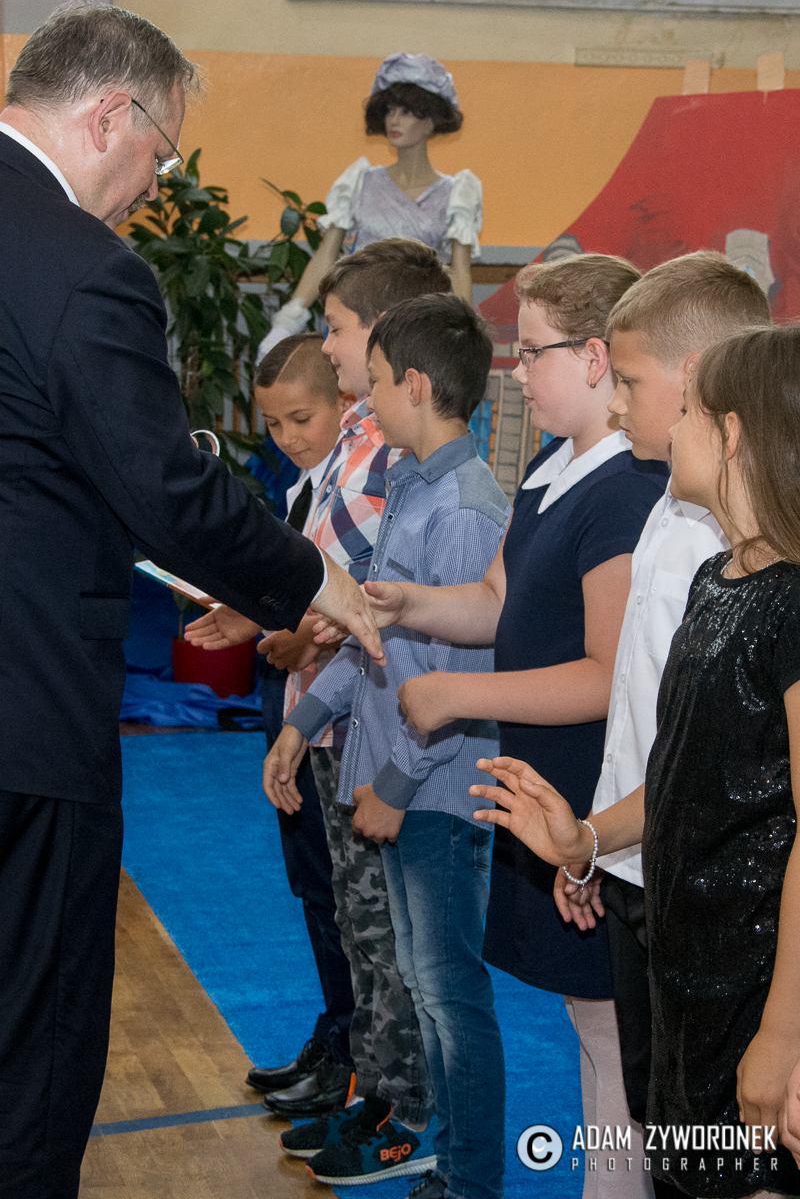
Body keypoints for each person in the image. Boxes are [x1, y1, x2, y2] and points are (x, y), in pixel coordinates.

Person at [0, 7, 382, 1198]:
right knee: (31, 1047)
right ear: (109, 114)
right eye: (160, 157)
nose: (152, 190)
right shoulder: (79, 265)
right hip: (26, 715)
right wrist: (313, 577)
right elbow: (165, 486)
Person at [332, 255, 670, 1197]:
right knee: (590, 1028)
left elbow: (605, 674)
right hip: (545, 792)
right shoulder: (553, 469)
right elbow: (493, 601)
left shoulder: (624, 491)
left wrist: (460, 697)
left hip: (595, 797)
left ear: (596, 359)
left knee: (614, 1038)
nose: (517, 373)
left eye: (535, 351)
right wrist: (407, 604)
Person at [471, 324, 800, 1199]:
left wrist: (783, 1032)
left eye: (688, 411)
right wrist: (582, 837)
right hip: (687, 973)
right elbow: (684, 776)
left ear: (733, 435)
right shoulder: (718, 581)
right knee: (676, 1169)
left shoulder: (794, 606)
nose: (655, 423)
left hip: (756, 977)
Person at [186, 239, 451, 1129]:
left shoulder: (390, 457)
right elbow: (324, 575)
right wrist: (268, 620)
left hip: (366, 726)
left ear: (381, 334)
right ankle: (354, 1061)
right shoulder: (350, 452)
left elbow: (369, 593)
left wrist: (296, 628)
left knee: (382, 931)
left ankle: (387, 1093)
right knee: (341, 909)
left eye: (336, 328)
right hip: (324, 712)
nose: (327, 344)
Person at [267, 294, 511, 1196]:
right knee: (413, 975)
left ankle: (470, 1175)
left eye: (370, 386)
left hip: (437, 795)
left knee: (449, 993)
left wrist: (396, 785)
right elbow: (373, 633)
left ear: (414, 385)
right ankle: (435, 1146)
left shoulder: (467, 510)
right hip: (395, 779)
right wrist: (302, 722)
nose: (361, 403)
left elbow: (453, 679)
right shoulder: (409, 484)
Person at [550, 252, 770, 1199]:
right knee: (656, 1110)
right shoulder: (669, 505)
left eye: (631, 382)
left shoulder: (741, 547)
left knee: (713, 1140)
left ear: (697, 380)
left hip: (712, 885)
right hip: (640, 855)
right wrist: (595, 843)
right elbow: (650, 722)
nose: (616, 403)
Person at [260, 52, 481, 359]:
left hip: (416, 335)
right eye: (390, 110)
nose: (394, 119)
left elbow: (459, 274)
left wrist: (461, 339)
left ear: (432, 119)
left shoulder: (457, 194)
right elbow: (327, 255)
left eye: (407, 111)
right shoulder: (360, 183)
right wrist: (287, 321)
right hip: (356, 325)